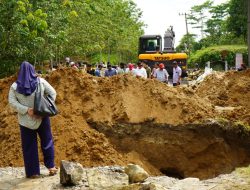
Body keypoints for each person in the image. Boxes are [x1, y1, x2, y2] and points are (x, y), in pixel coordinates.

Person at [8, 61, 58, 178]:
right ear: (32, 70)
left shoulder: (14, 87)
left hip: (25, 121)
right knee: (47, 142)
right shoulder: (40, 82)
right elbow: (53, 93)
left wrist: (26, 110)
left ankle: (32, 172)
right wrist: (43, 109)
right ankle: (51, 167)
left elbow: (12, 102)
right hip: (42, 118)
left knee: (29, 146)